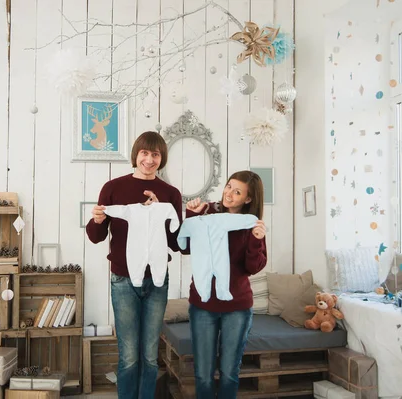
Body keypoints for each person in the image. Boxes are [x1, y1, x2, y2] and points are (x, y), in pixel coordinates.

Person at [85, 131, 182, 399]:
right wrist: (96, 219)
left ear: (161, 158)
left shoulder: (171, 194)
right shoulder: (113, 188)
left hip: (157, 280)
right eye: (145, 153)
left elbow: (177, 243)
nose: (149, 160)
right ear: (135, 154)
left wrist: (172, 214)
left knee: (150, 355)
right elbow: (97, 237)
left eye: (155, 154)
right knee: (128, 355)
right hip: (123, 280)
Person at [184, 170, 267, 399]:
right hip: (203, 305)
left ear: (248, 199)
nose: (229, 193)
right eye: (229, 186)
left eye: (237, 191)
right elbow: (185, 248)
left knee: (230, 372)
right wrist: (191, 215)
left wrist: (256, 240)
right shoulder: (207, 212)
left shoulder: (251, 224)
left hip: (237, 308)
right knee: (203, 374)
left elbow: (254, 266)